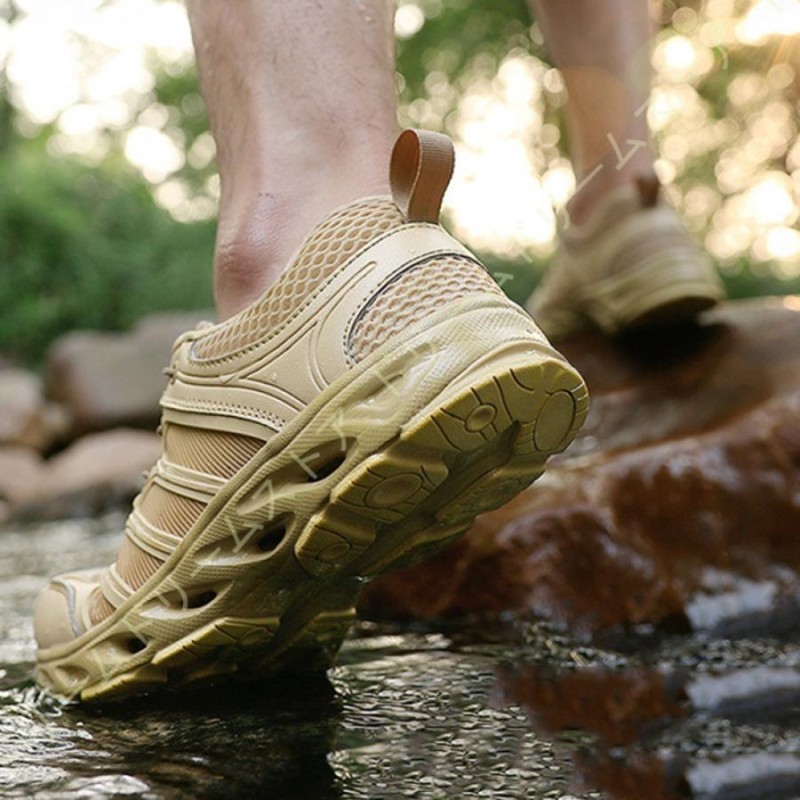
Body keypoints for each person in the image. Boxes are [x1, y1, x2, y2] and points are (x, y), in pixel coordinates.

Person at [33, 0, 722, 702]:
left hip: (337, 287)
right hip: (451, 261)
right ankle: (621, 199)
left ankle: (312, 236)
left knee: (315, 220)